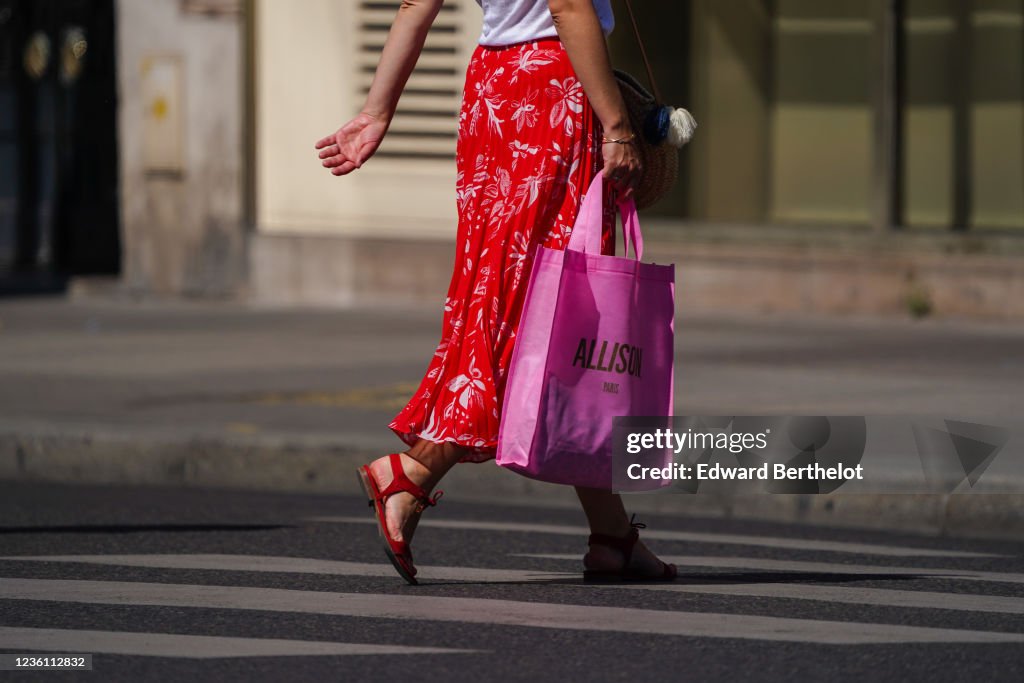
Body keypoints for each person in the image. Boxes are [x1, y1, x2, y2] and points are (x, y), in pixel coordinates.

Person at [315, 0, 676, 585]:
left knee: (536, 305)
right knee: (547, 309)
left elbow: (416, 5)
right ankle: (411, 473)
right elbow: (567, 5)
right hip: (553, 93)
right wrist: (616, 127)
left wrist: (376, 112)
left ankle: (611, 536)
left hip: (494, 91)